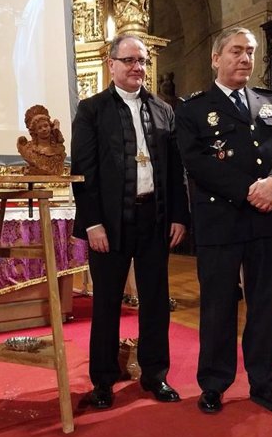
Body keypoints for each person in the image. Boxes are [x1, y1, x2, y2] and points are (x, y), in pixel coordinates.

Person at [175, 27, 272, 415]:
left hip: (266, 219)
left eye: (250, 52)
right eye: (236, 51)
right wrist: (251, 189)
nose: (245, 58)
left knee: (265, 303)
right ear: (216, 58)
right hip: (222, 218)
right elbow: (195, 160)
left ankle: (265, 381)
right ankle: (214, 383)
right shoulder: (194, 108)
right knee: (218, 304)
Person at [71, 33, 189, 409]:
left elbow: (175, 169)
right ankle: (103, 381)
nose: (138, 67)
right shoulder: (91, 110)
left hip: (154, 216)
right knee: (106, 303)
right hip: (108, 222)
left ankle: (155, 375)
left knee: (155, 300)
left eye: (142, 61)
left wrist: (179, 216)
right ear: (111, 64)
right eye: (129, 61)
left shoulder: (163, 110)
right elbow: (83, 172)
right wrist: (92, 224)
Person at [16, 104, 66, 175]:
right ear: (35, 131)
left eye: (46, 126)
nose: (44, 129)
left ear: (50, 126)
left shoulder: (58, 148)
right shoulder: (28, 150)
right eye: (40, 128)